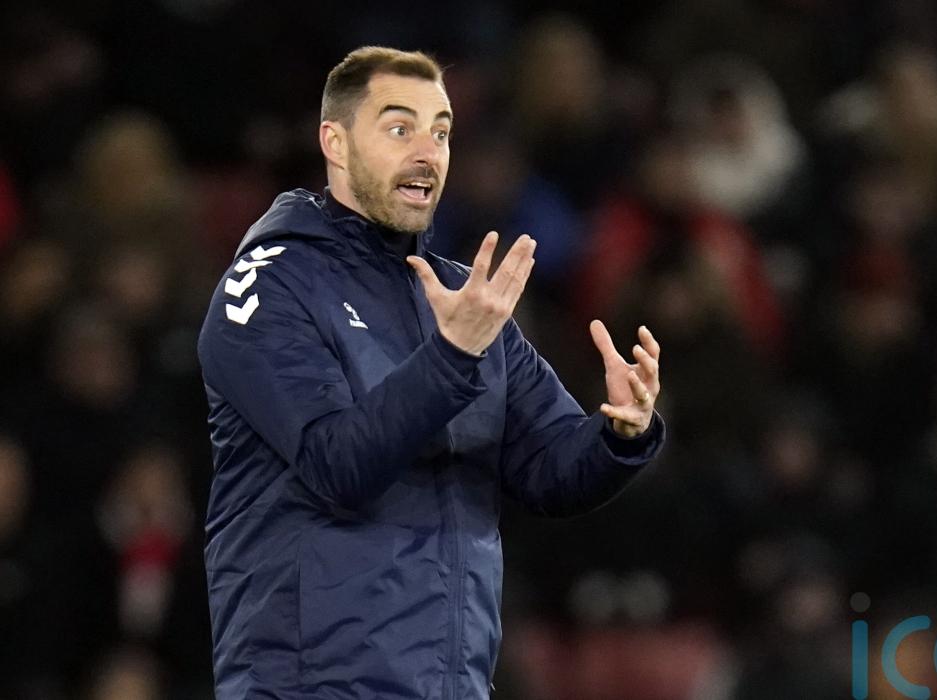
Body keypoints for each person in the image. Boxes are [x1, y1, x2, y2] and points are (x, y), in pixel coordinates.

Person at [196, 47, 666, 699]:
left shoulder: (461, 299)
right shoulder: (268, 286)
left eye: (441, 132)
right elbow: (336, 466)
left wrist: (620, 433)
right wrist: (452, 356)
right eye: (400, 128)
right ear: (335, 141)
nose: (428, 153)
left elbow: (550, 470)